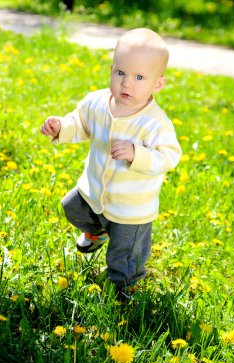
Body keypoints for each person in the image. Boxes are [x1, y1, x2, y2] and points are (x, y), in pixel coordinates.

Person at [40, 28, 182, 292]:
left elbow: (168, 156)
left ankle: (122, 292)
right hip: (94, 191)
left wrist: (137, 154)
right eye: (121, 73)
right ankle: (98, 231)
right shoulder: (97, 103)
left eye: (139, 77)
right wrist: (61, 127)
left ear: (157, 84)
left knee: (124, 256)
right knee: (72, 207)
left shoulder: (155, 123)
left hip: (132, 208)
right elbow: (80, 123)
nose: (127, 83)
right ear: (111, 70)